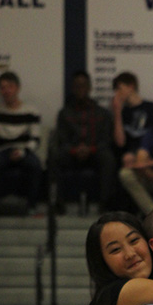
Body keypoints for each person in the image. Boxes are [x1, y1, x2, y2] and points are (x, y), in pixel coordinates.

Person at [55, 71, 115, 212]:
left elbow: (106, 139)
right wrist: (75, 150)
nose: (80, 89)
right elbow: (62, 139)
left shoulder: (102, 113)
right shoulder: (64, 113)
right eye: (77, 86)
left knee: (108, 158)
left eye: (83, 86)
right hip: (72, 153)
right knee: (54, 157)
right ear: (72, 88)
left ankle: (105, 204)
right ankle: (58, 204)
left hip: (95, 153)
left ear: (89, 88)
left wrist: (90, 149)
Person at [0, 71, 42, 212]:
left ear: (17, 88)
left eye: (10, 87)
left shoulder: (31, 111)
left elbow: (36, 139)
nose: (6, 91)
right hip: (1, 150)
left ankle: (32, 206)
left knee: (35, 164)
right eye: (3, 87)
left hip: (23, 149)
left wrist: (22, 152)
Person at [111, 71, 153, 166]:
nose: (117, 93)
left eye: (119, 89)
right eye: (115, 90)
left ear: (131, 86)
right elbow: (120, 142)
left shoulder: (152, 108)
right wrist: (117, 112)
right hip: (130, 153)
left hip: (149, 151)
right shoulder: (123, 113)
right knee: (127, 158)